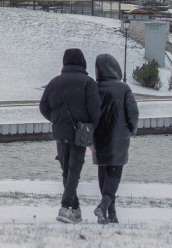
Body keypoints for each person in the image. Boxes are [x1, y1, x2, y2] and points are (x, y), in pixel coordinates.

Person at [39, 48, 101, 224]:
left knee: (67, 172)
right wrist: (90, 126)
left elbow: (43, 106)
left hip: (60, 133)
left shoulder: (55, 83)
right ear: (82, 62)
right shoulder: (88, 83)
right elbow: (96, 111)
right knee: (73, 171)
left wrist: (56, 119)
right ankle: (65, 207)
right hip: (80, 134)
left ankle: (76, 209)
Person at [92, 54, 139, 224]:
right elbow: (132, 112)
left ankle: (111, 212)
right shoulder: (124, 88)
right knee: (114, 174)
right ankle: (104, 206)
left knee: (103, 173)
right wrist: (132, 129)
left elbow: (90, 112)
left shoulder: (94, 88)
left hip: (99, 137)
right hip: (119, 137)